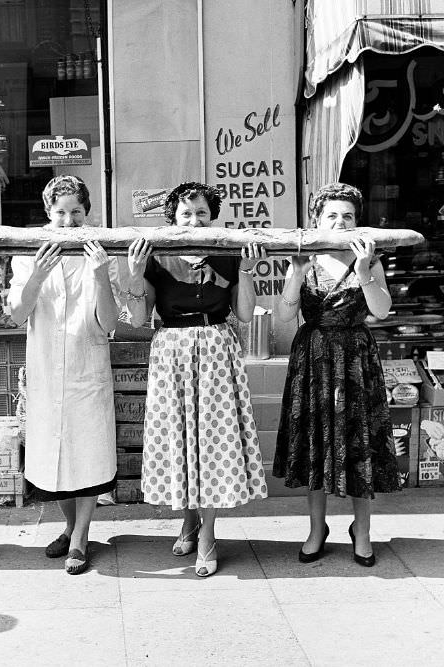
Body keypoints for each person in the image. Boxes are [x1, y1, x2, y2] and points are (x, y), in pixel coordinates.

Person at [126, 181, 268, 578]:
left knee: (212, 443)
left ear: (213, 217)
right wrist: (135, 276)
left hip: (216, 351)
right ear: (172, 219)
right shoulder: (155, 257)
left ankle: (207, 534)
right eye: (186, 214)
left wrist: (245, 270)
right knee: (182, 438)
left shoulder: (227, 255)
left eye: (202, 213)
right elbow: (138, 319)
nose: (194, 220)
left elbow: (243, 313)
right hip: (171, 350)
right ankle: (188, 520)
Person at [273, 182, 401, 567]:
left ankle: (361, 531)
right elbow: (283, 315)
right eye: (332, 215)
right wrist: (296, 276)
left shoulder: (370, 256)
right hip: (313, 357)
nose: (340, 221)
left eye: (347, 215)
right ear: (317, 219)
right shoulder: (303, 256)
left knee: (359, 442)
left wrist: (364, 271)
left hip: (355, 360)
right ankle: (317, 528)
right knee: (316, 444)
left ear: (356, 220)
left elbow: (380, 311)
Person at [8, 175, 120, 575]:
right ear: (47, 213)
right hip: (45, 368)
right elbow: (17, 314)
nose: (69, 221)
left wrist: (101, 274)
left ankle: (80, 538)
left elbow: (109, 322)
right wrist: (37, 274)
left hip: (86, 368)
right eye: (60, 213)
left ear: (87, 212)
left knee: (86, 454)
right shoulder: (27, 252)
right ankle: (70, 526)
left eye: (76, 212)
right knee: (54, 457)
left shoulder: (102, 251)